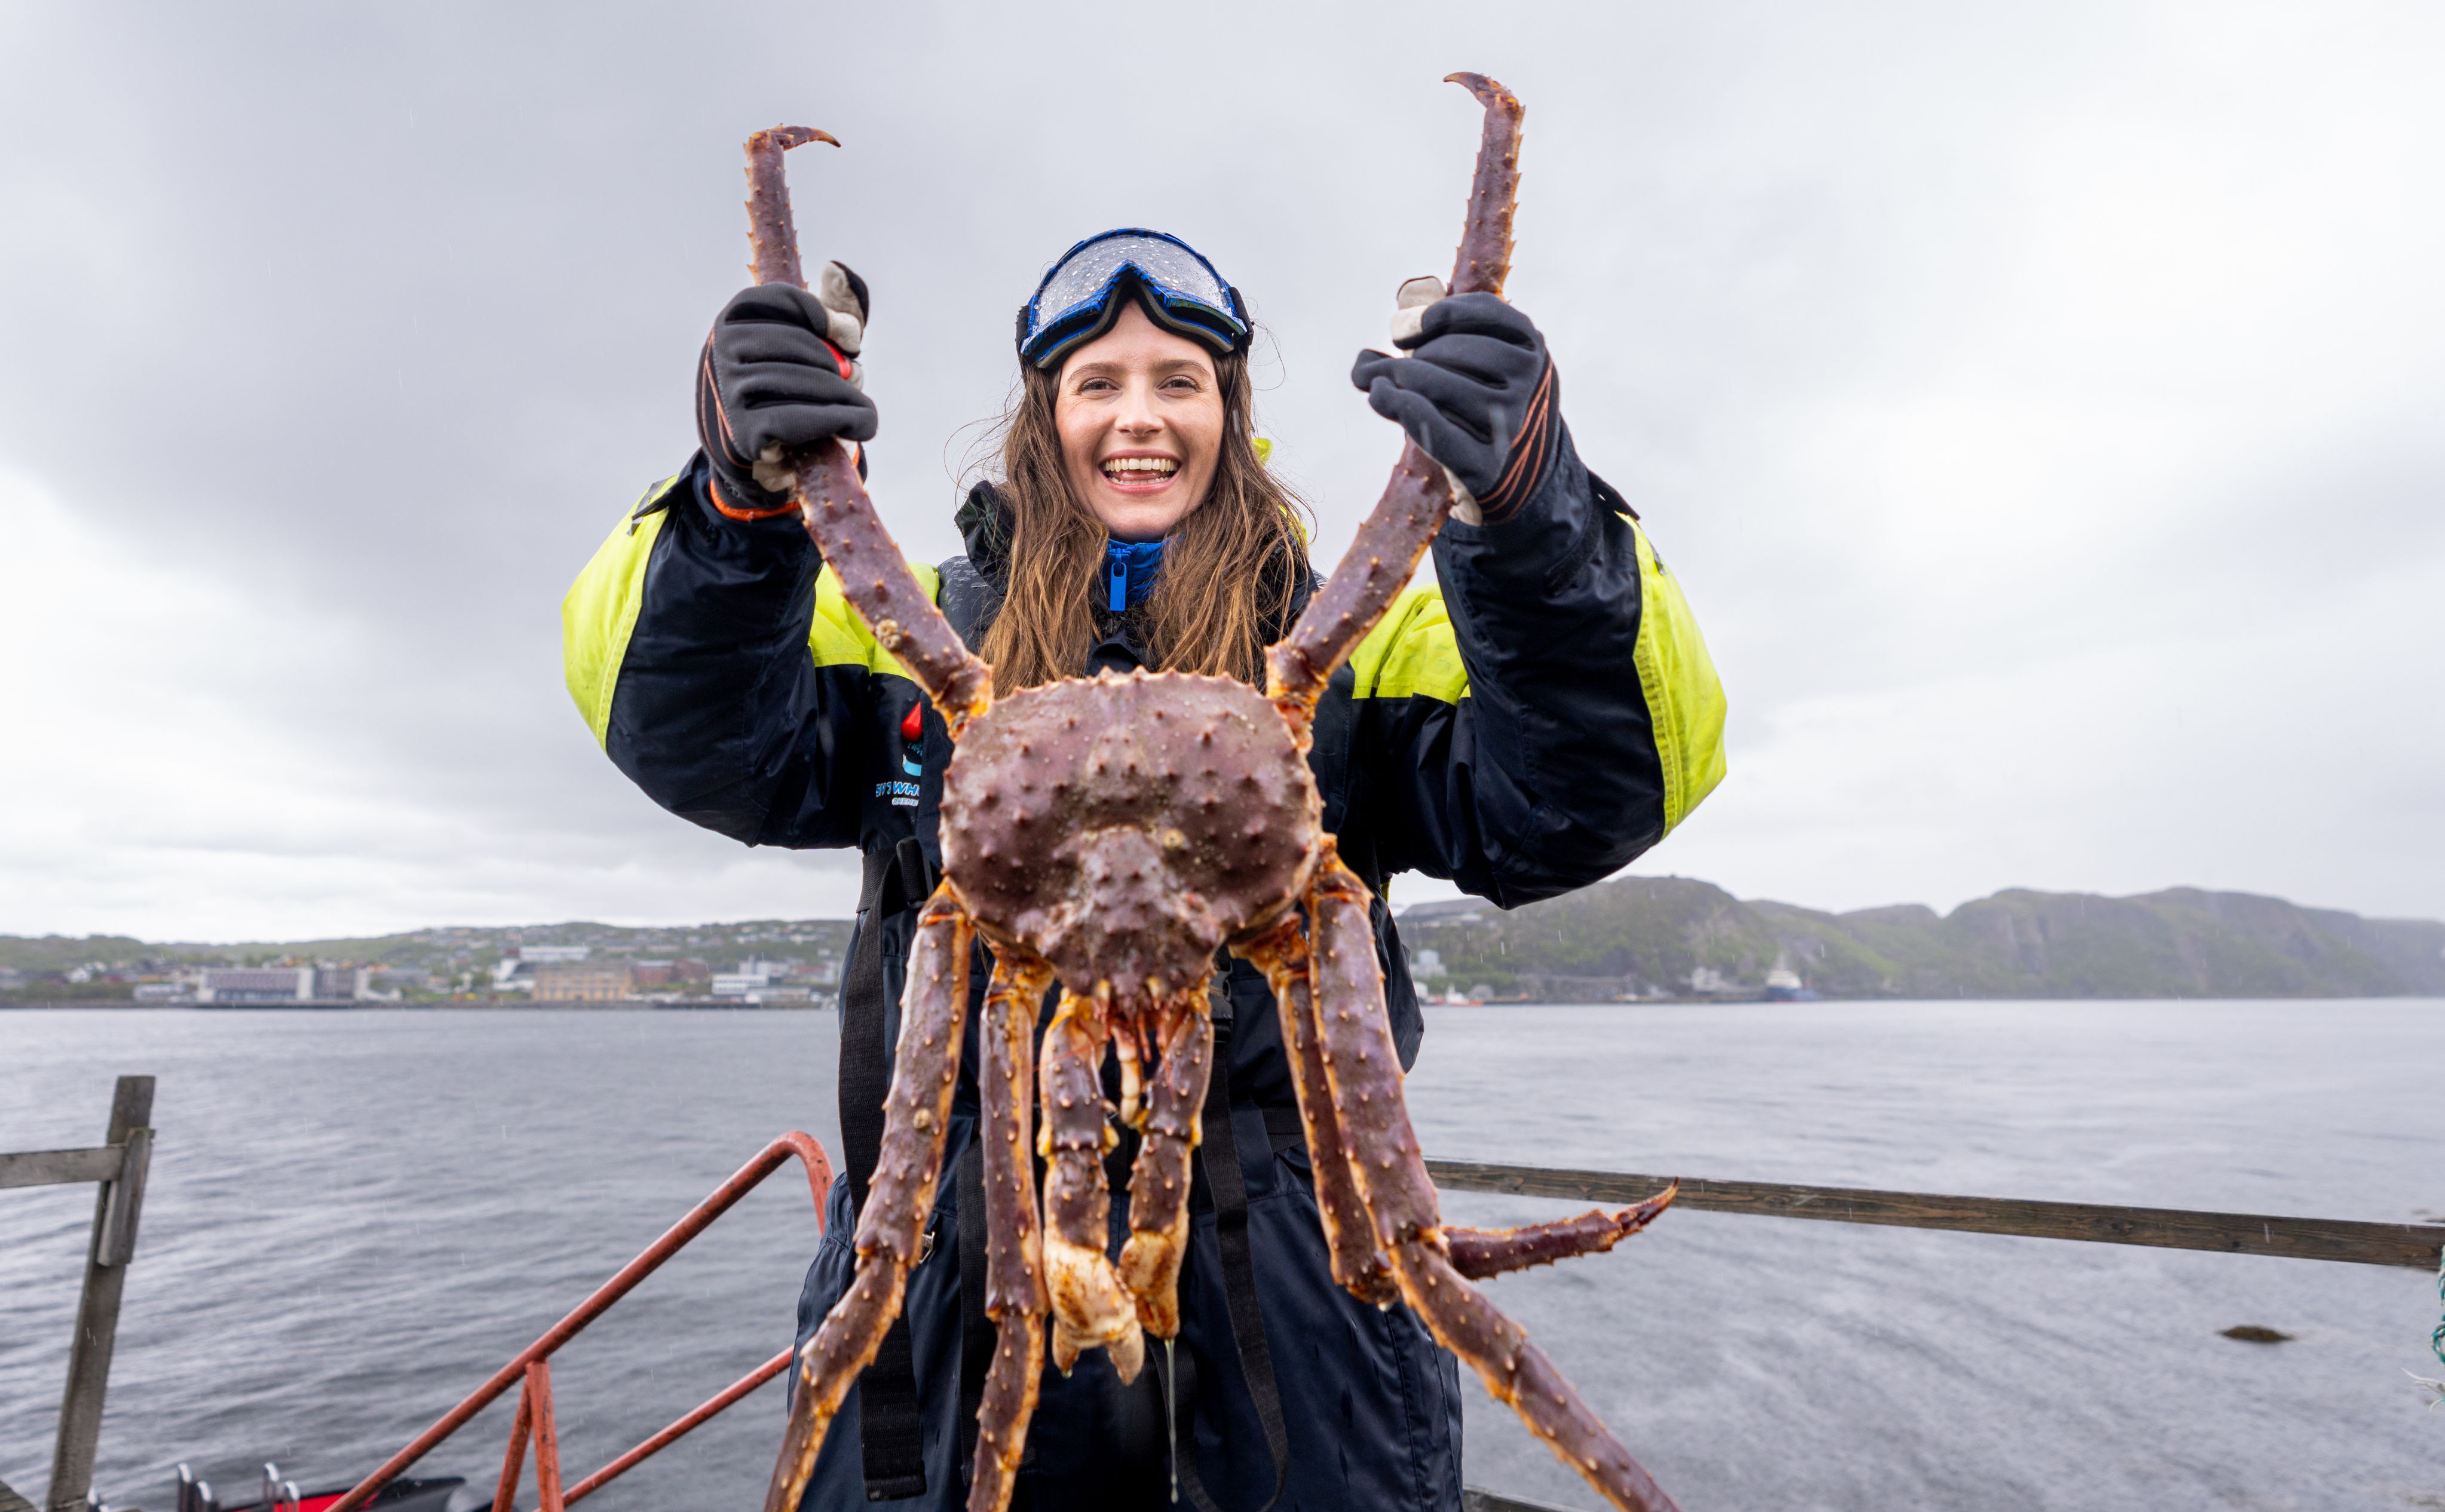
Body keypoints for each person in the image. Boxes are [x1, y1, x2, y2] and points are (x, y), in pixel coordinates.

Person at [561, 229, 1725, 1512]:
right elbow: (684, 730)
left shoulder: (1351, 635)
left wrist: (1530, 518)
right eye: (1097, 384)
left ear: (1230, 411)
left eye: (1182, 381)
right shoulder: (912, 631)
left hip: (1305, 1303)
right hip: (949, 1291)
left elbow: (1591, 796)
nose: (1141, 417)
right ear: (1041, 416)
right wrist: (736, 509)